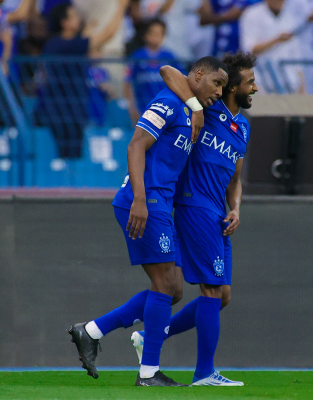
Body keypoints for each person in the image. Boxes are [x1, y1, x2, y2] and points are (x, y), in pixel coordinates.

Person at [68, 56, 228, 387]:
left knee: (174, 290)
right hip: (144, 202)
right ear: (198, 75)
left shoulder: (190, 106)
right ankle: (148, 373)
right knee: (166, 286)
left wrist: (197, 105)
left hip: (160, 204)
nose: (219, 91)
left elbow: (175, 76)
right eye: (216, 83)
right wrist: (140, 199)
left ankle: (92, 331)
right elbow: (136, 145)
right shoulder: (169, 101)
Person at [127, 52, 257, 386]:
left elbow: (235, 178)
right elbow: (168, 70)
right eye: (250, 82)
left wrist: (236, 208)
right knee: (209, 290)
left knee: (220, 295)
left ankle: (151, 336)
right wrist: (197, 106)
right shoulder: (206, 106)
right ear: (230, 87)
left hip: (218, 214)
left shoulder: (242, 127)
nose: (255, 88)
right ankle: (204, 374)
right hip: (194, 206)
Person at [39, 0, 128, 159]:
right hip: (64, 111)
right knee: (67, 156)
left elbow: (89, 47)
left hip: (68, 109)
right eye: (73, 17)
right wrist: (121, 7)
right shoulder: (63, 44)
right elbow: (106, 35)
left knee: (71, 156)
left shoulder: (55, 44)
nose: (78, 19)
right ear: (64, 23)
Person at [240, 0, 305, 93]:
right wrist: (276, 40)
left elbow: (296, 56)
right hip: (260, 80)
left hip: (289, 81)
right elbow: (249, 49)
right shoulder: (252, 14)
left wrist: (302, 83)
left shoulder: (290, 17)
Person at [124, 18, 179, 124]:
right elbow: (128, 83)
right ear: (145, 35)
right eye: (152, 33)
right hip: (143, 109)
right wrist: (132, 108)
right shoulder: (136, 57)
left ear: (164, 36)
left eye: (159, 34)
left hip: (166, 110)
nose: (155, 37)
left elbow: (180, 82)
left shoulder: (170, 57)